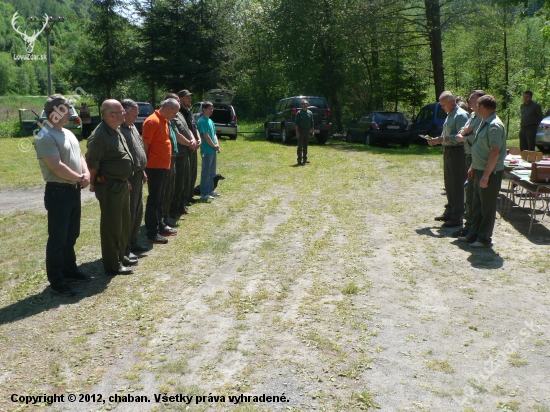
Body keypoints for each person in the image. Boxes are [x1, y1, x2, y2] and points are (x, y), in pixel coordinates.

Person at [34, 94, 91, 296]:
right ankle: (57, 280)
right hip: (59, 192)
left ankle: (69, 270)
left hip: (72, 190)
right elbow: (56, 167)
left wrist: (86, 173)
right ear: (55, 113)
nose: (71, 114)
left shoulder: (67, 133)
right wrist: (80, 178)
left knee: (71, 234)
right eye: (67, 110)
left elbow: (80, 155)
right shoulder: (44, 136)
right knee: (58, 239)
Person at [86, 100, 135, 276]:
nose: (125, 113)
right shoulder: (99, 136)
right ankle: (112, 264)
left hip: (120, 184)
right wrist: (92, 184)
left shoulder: (116, 130)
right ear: (111, 115)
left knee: (124, 223)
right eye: (122, 111)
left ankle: (120, 255)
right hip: (109, 186)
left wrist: (125, 178)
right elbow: (92, 163)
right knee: (112, 226)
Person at [458, 95, 506, 248]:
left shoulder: (494, 126)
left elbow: (494, 153)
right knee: (477, 204)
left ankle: (484, 239)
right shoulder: (484, 123)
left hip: (489, 172)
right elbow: (478, 147)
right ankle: (473, 234)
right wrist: (473, 166)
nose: (474, 108)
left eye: (477, 105)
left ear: (483, 107)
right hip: (478, 169)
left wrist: (486, 176)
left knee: (487, 207)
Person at [428, 91, 469, 228]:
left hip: (457, 153)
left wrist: (442, 139)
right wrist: (437, 141)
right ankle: (450, 211)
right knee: (449, 184)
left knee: (457, 184)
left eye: (443, 104)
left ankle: (457, 216)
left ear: (452, 102)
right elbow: (447, 135)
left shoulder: (461, 115)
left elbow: (460, 137)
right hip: (448, 151)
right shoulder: (450, 115)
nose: (442, 107)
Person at [142, 98, 180, 244]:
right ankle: (152, 232)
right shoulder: (152, 121)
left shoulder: (164, 120)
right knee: (154, 199)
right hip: (154, 167)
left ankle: (161, 225)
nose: (175, 115)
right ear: (168, 108)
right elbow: (145, 145)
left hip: (164, 166)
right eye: (175, 112)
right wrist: (144, 168)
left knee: (161, 198)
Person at [454, 90, 486, 238]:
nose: (469, 101)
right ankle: (468, 226)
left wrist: (465, 136)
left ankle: (473, 229)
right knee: (469, 192)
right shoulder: (472, 115)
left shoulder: (482, 118)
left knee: (473, 195)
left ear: (481, 101)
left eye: (473, 99)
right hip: (468, 157)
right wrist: (465, 132)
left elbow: (476, 139)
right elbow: (461, 131)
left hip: (476, 158)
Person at [120, 99, 149, 255]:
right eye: (134, 113)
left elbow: (138, 149)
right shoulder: (119, 130)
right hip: (129, 176)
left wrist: (143, 170)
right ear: (124, 113)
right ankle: (125, 247)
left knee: (138, 210)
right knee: (129, 211)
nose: (136, 116)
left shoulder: (132, 127)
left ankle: (133, 241)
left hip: (138, 174)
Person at [168, 92, 196, 223]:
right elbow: (177, 134)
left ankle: (181, 206)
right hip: (178, 153)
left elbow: (188, 128)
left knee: (185, 180)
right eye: (176, 101)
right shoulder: (171, 116)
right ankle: (174, 210)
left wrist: (193, 139)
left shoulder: (179, 114)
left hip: (185, 151)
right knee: (177, 183)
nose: (178, 103)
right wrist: (190, 142)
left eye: (178, 101)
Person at [178, 89, 201, 204]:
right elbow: (182, 131)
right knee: (185, 175)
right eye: (187, 97)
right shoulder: (178, 112)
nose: (189, 99)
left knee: (193, 171)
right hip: (185, 146)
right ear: (180, 98)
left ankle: (190, 194)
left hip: (193, 145)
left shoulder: (189, 111)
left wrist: (198, 140)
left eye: (190, 97)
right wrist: (190, 143)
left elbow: (194, 127)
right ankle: (184, 197)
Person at [198, 101, 220, 200]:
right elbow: (206, 136)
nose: (212, 110)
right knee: (206, 173)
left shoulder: (210, 121)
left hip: (213, 150)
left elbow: (214, 134)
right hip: (206, 151)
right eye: (209, 108)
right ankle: (204, 192)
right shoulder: (201, 121)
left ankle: (210, 190)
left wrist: (217, 145)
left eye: (212, 108)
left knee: (212, 172)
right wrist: (214, 146)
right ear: (204, 109)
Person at [295, 100, 314, 165]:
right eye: (304, 104)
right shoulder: (299, 113)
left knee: (305, 145)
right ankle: (299, 159)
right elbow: (296, 123)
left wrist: (312, 131)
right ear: (301, 105)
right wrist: (297, 132)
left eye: (306, 104)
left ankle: (305, 159)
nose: (305, 105)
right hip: (300, 131)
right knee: (300, 146)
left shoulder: (310, 113)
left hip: (307, 131)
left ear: (308, 104)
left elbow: (312, 123)